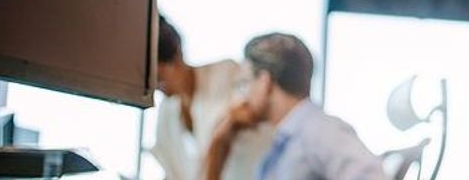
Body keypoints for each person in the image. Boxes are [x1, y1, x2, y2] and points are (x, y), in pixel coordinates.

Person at [205, 33, 386, 180]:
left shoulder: (318, 129)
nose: (242, 97)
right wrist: (220, 141)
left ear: (265, 81)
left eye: (244, 83)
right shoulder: (285, 144)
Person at [151, 15, 273, 180]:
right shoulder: (167, 112)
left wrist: (221, 134)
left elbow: (247, 114)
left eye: (159, 76)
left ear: (177, 56)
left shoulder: (228, 73)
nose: (156, 85)